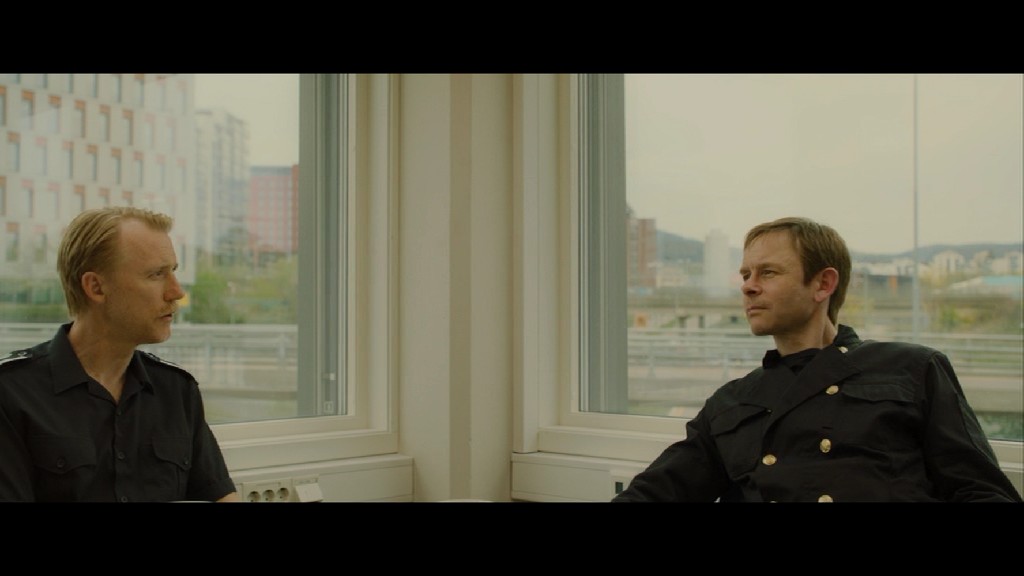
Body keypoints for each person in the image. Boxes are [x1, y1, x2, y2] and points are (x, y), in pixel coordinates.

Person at [613, 216, 1022, 502]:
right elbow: (653, 494)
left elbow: (982, 492)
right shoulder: (731, 403)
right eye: (745, 275)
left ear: (823, 284)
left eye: (767, 273)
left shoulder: (912, 369)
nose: (748, 287)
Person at [0, 206, 240, 502]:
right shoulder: (10, 393)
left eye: (173, 272)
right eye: (156, 274)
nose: (176, 292)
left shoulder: (177, 390)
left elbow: (221, 496)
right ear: (96, 287)